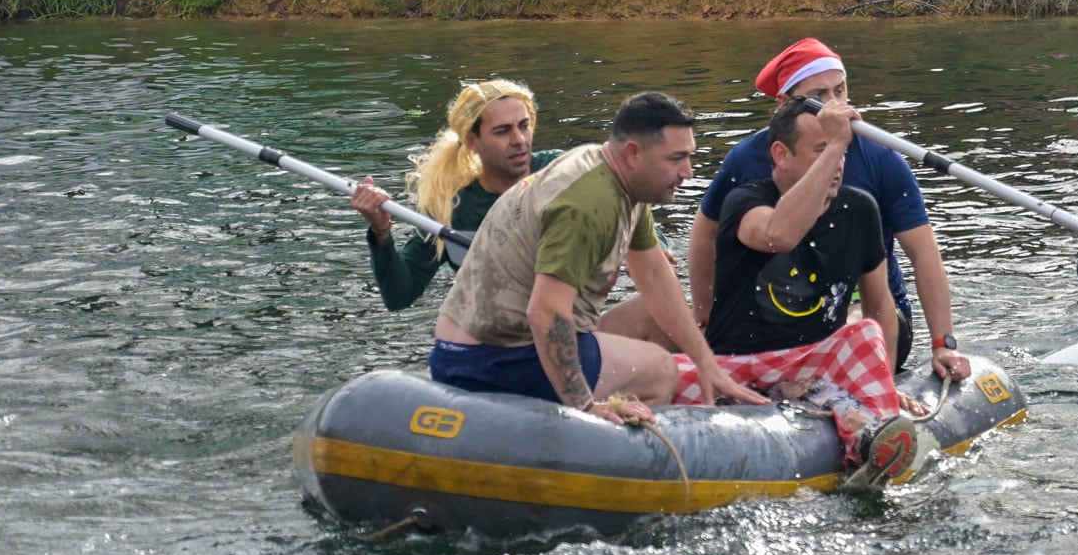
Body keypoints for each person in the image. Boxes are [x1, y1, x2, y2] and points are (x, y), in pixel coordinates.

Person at [431, 92, 764, 422]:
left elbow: (653, 275)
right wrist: (585, 406)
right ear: (634, 153)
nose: (688, 172)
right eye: (676, 159)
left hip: (481, 346)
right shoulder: (587, 206)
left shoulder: (613, 174)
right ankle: (614, 459)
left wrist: (707, 362)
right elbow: (545, 313)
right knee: (661, 371)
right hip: (493, 359)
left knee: (651, 314)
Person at [689, 39, 972, 380]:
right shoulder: (747, 157)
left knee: (850, 323)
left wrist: (943, 342)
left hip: (866, 313)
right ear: (785, 105)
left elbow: (924, 254)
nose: (834, 106)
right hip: (776, 313)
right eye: (819, 96)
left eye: (840, 91)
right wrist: (704, 318)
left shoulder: (880, 158)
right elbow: (705, 234)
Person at [706, 97, 931, 485]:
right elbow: (778, 234)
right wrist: (840, 143)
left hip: (814, 366)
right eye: (822, 150)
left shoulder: (860, 209)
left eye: (841, 151)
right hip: (737, 366)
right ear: (781, 155)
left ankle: (873, 433)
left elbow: (879, 306)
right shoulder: (745, 201)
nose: (838, 162)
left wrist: (887, 383)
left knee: (864, 330)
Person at [349, 79, 564, 310]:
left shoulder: (565, 172)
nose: (519, 140)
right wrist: (381, 232)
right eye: (502, 131)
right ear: (473, 141)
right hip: (494, 331)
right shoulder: (451, 207)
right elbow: (399, 296)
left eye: (524, 125)